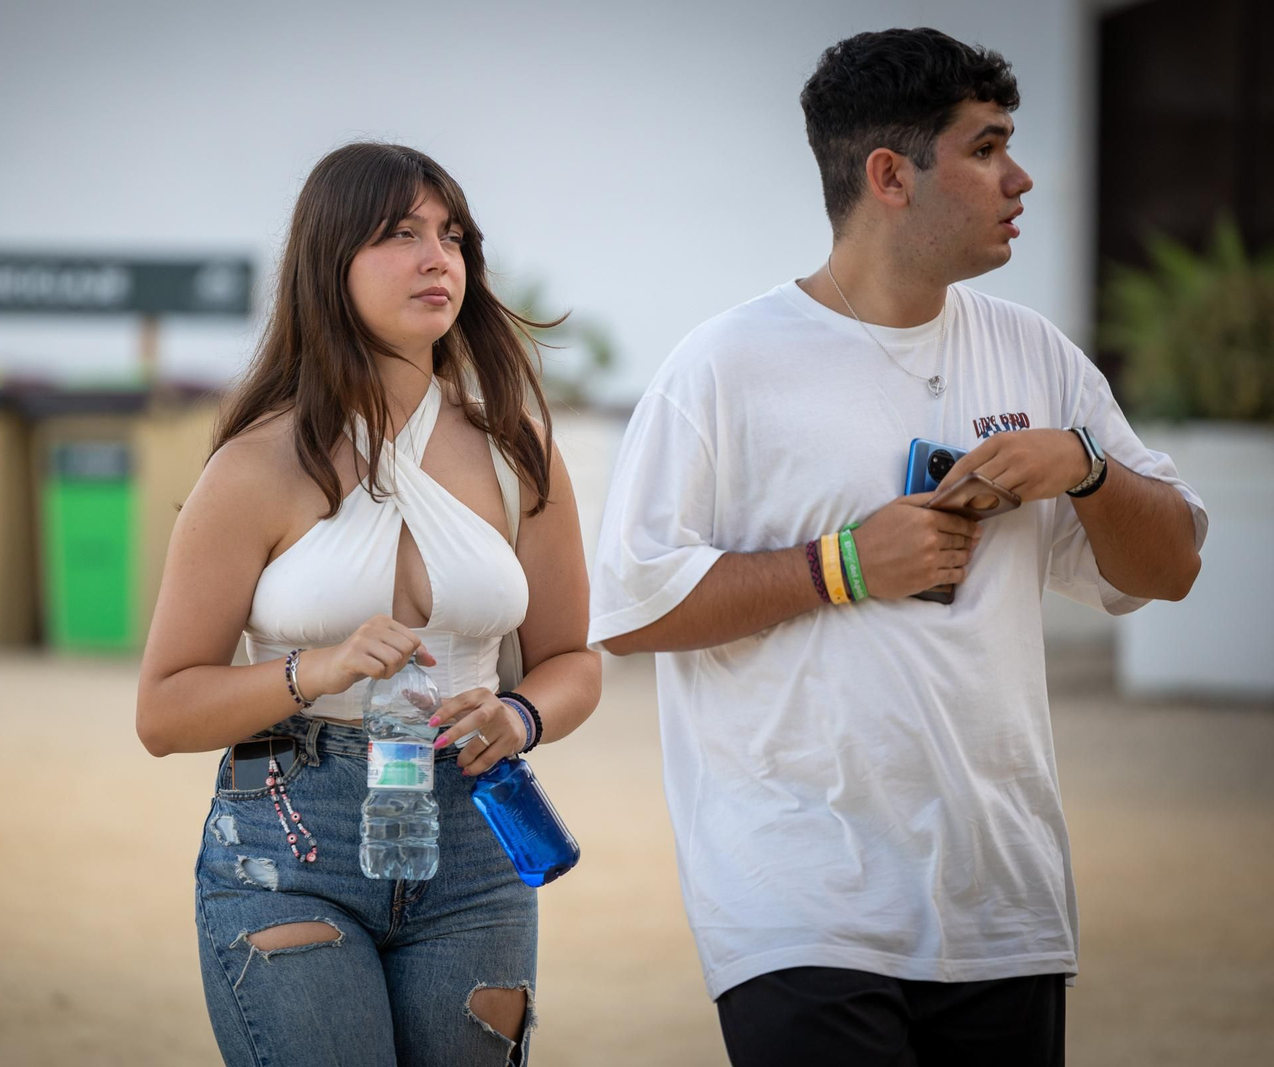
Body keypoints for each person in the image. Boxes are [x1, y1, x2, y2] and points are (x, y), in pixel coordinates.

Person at [588, 28, 1205, 1067]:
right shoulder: (723, 368)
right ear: (888, 175)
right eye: (985, 147)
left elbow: (1173, 566)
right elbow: (633, 606)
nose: (1020, 176)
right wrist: (842, 566)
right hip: (798, 903)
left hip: (1001, 901)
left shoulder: (1036, 354)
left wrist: (1085, 465)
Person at [136, 142, 600, 1067]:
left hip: (475, 845)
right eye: (400, 234)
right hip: (290, 842)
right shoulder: (257, 465)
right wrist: (316, 669)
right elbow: (164, 709)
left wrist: (519, 712)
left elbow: (573, 661)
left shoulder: (517, 451)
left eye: (452, 235)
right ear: (329, 262)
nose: (439, 258)